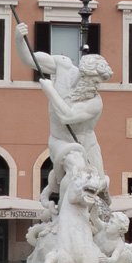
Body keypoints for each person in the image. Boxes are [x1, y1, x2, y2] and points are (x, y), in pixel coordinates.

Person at [15, 21, 113, 202]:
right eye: (95, 80)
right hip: (61, 141)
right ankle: (65, 211)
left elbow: (67, 116)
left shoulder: (95, 102)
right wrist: (19, 39)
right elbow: (29, 60)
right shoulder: (63, 66)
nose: (97, 86)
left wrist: (49, 91)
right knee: (77, 167)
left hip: (88, 145)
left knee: (98, 190)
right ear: (84, 74)